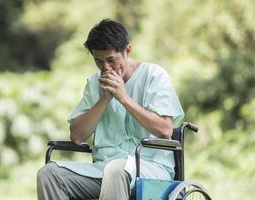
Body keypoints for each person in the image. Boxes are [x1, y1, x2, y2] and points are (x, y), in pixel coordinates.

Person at [37, 19, 184, 200]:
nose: (105, 67)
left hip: (150, 169)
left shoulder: (154, 76)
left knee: (115, 170)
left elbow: (165, 130)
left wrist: (123, 98)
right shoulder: (94, 83)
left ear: (127, 51)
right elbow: (77, 136)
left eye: (111, 60)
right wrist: (104, 99)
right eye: (98, 61)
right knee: (49, 174)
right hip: (104, 169)